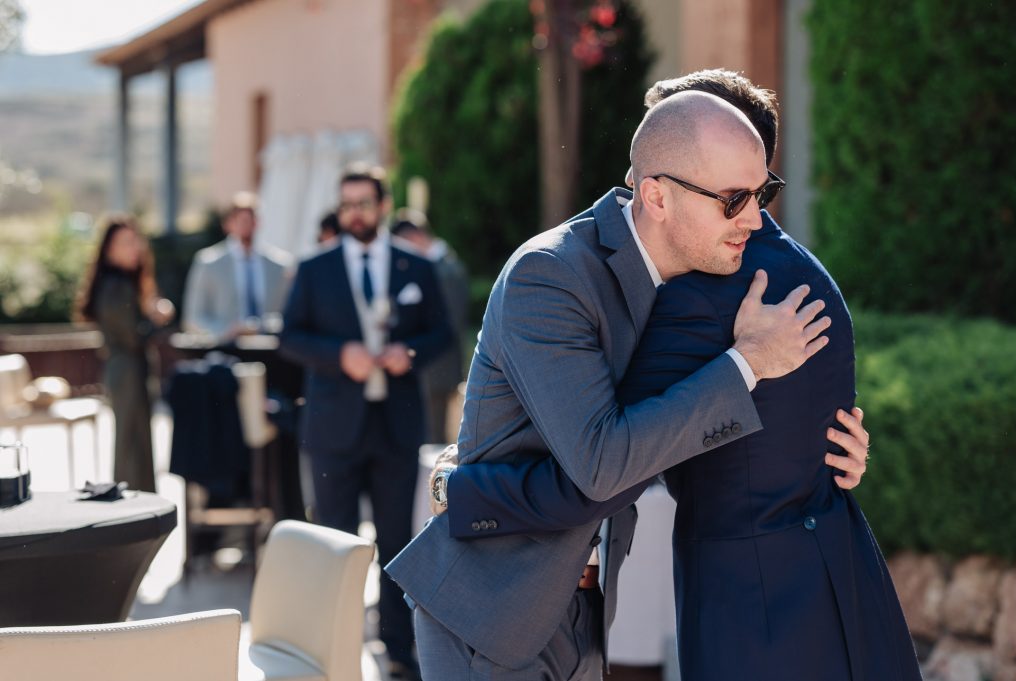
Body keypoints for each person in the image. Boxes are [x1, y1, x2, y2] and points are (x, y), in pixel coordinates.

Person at [424, 71, 919, 681]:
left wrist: (821, 446)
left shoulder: (722, 285)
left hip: (594, 603)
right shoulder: (550, 275)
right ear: (656, 196)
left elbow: (678, 441)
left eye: (763, 193)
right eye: (734, 198)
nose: (757, 220)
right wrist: (748, 366)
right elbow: (606, 460)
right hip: (494, 606)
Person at [279, 165, 451, 680]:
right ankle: (332, 649)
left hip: (395, 424)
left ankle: (399, 651)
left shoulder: (415, 266)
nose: (354, 212)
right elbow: (289, 336)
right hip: (334, 428)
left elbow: (443, 330)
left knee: (398, 541)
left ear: (382, 205)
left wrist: (411, 352)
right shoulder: (314, 268)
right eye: (346, 203)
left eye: (364, 203)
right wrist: (340, 354)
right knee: (335, 543)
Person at [77, 216, 173, 492]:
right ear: (109, 249)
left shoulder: (123, 282)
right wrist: (157, 317)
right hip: (127, 371)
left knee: (139, 446)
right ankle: (132, 515)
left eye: (136, 241)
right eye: (126, 242)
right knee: (131, 447)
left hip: (130, 370)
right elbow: (134, 336)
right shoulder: (114, 285)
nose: (135, 248)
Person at [392, 209, 470, 443]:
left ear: (414, 237)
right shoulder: (441, 266)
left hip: (437, 369)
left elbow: (448, 321)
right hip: (431, 368)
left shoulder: (445, 269)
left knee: (432, 441)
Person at [182, 191, 292, 341]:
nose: (245, 225)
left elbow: (289, 313)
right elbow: (194, 317)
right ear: (227, 224)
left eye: (250, 219)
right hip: (226, 347)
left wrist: (262, 327)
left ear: (258, 222)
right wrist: (226, 331)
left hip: (270, 346)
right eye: (240, 220)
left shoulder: (280, 264)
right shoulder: (209, 262)